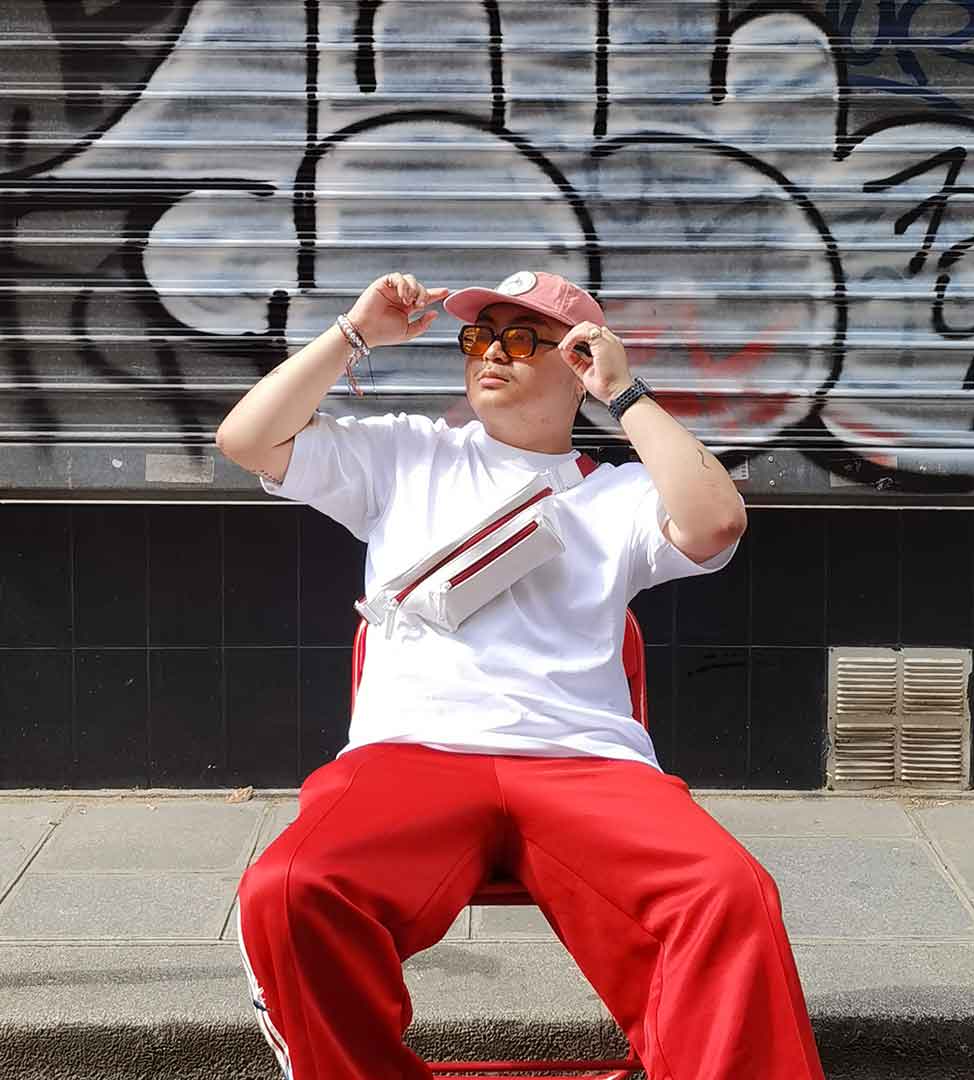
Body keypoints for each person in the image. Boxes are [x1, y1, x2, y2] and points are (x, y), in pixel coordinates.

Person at [216, 271, 825, 1080]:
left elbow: (716, 522)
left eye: (522, 337)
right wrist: (353, 334)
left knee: (727, 892)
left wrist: (626, 391)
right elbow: (246, 440)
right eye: (478, 335)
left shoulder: (618, 495)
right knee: (289, 887)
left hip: (584, 762)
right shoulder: (406, 455)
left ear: (576, 363)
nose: (492, 351)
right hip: (412, 754)